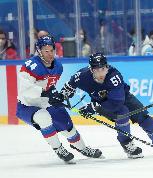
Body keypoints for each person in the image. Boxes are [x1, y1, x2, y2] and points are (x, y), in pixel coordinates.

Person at [57, 52, 153, 159]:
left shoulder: (114, 76)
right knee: (122, 114)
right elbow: (69, 85)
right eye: (96, 70)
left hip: (122, 98)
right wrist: (62, 96)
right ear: (91, 69)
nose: (100, 73)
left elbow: (116, 103)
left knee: (146, 119)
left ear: (107, 67)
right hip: (101, 102)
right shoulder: (82, 76)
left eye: (103, 69)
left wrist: (93, 107)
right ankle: (126, 143)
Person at [16, 35, 102, 163]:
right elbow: (25, 91)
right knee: (44, 117)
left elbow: (49, 86)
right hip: (27, 106)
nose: (50, 54)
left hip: (46, 102)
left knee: (66, 124)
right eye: (46, 51)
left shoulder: (58, 67)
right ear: (39, 51)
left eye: (52, 50)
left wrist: (57, 95)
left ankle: (83, 148)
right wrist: (46, 93)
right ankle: (58, 148)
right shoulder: (30, 66)